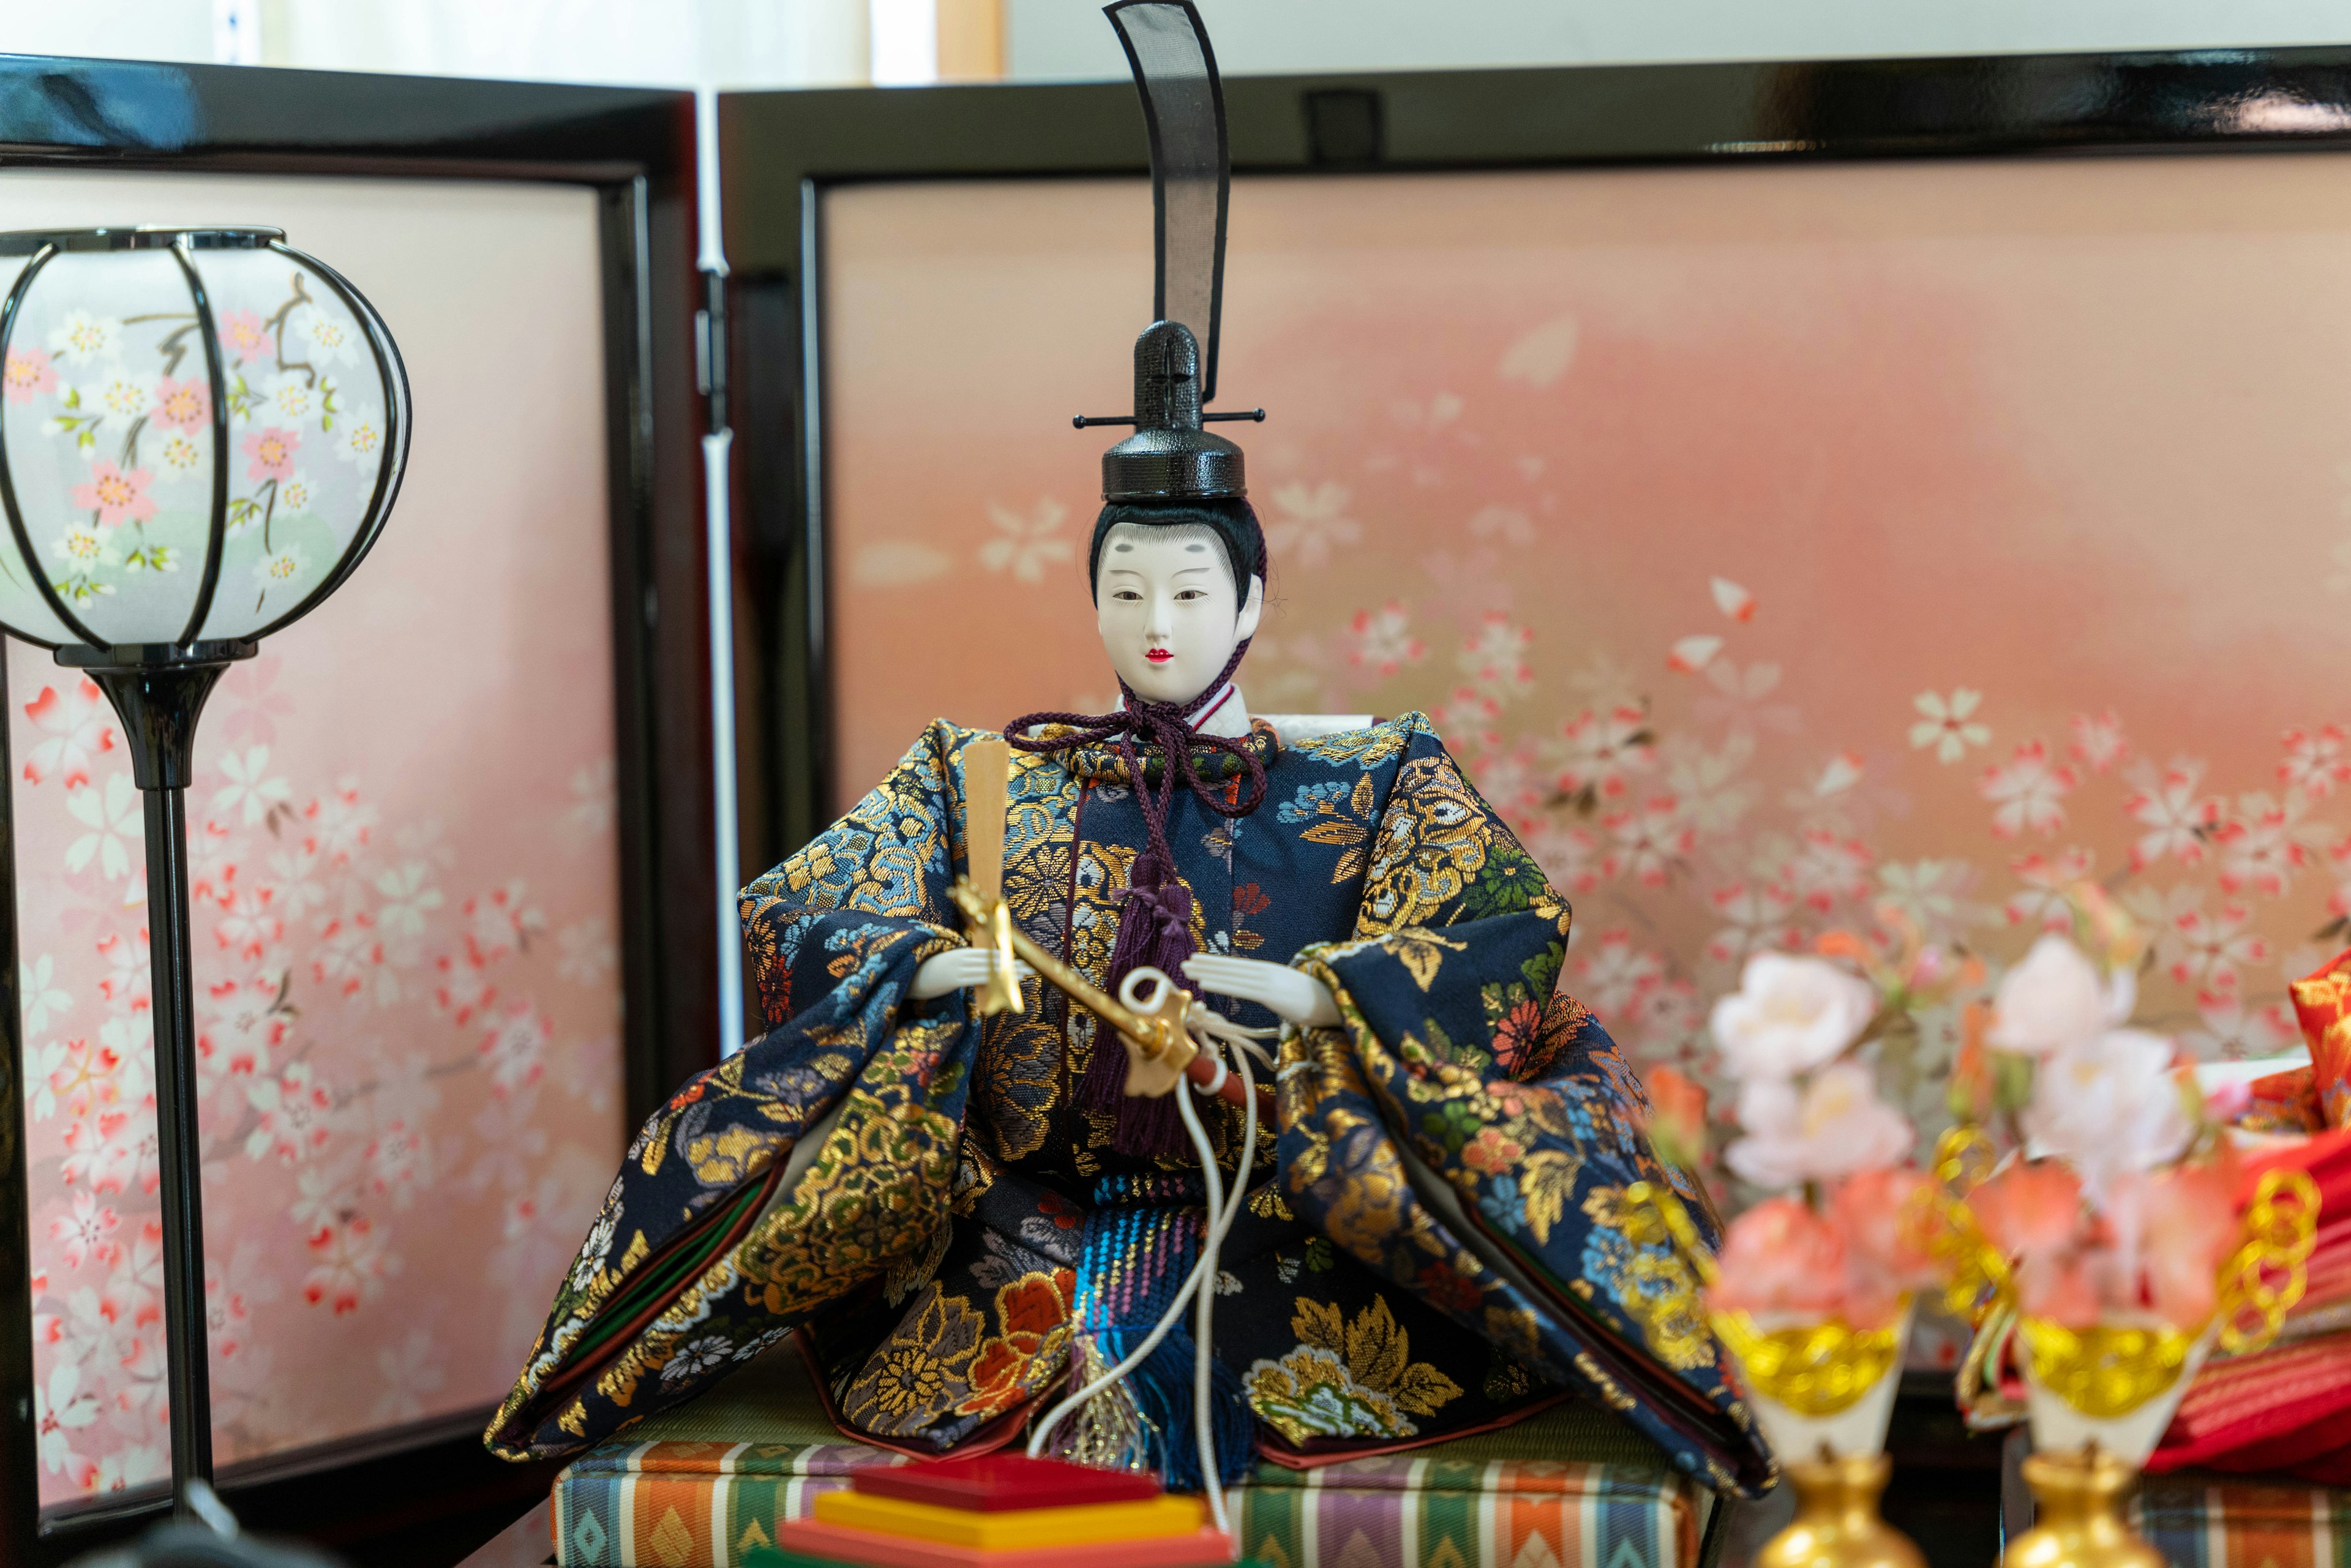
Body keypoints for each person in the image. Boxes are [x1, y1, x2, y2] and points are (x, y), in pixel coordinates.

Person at [485, 0, 1769, 1498]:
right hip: (1017, 1238)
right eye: (1126, 589)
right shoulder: (991, 777)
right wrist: (915, 969)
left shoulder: (1378, 781)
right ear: (1090, 592)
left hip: (1295, 1234)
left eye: (1188, 590)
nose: (1155, 623)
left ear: (1255, 597)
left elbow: (1501, 942)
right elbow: (804, 915)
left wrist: (1328, 996)